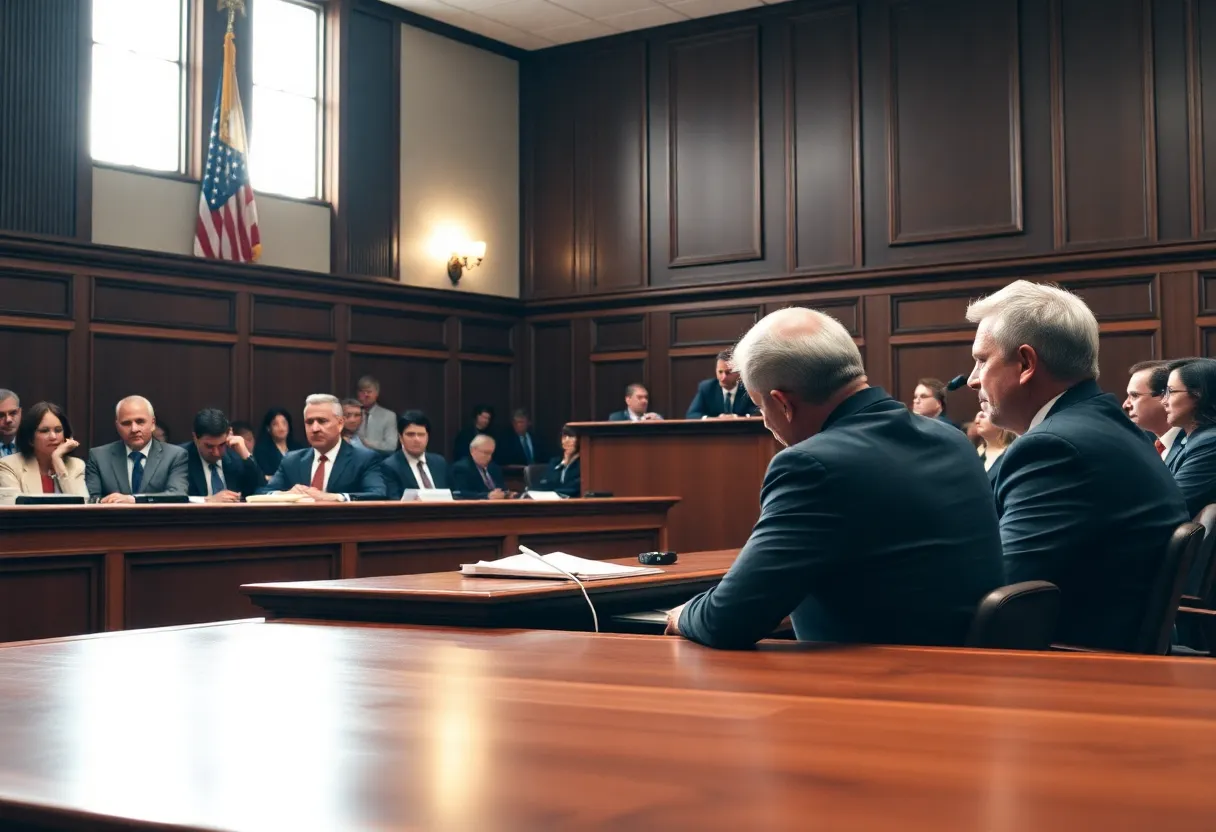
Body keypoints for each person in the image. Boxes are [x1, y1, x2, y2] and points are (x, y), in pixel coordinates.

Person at [667, 307, 1004, 649]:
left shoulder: (811, 466)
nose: (766, 422)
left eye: (761, 408)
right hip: (972, 667)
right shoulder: (951, 440)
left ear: (782, 404)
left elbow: (728, 619)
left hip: (881, 677)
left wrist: (682, 614)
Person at [966, 280, 1188, 651]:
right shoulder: (1103, 425)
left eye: (981, 360)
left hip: (1074, 665)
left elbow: (997, 590)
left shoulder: (1056, 447)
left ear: (1026, 364)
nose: (973, 379)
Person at [259, 394, 387, 501]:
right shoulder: (292, 460)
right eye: (309, 422)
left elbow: (378, 494)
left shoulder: (364, 459)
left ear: (340, 424)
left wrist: (334, 497)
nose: (315, 429)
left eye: (322, 421)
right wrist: (285, 495)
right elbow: (262, 492)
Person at [85, 396, 188, 502]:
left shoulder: (175, 455)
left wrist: (134, 500)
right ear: (117, 426)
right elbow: (91, 500)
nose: (134, 429)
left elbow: (177, 494)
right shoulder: (99, 457)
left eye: (140, 421)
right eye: (126, 423)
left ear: (153, 424)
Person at [1162, 358, 1216, 517]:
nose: (1164, 401)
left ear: (1198, 395)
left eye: (1170, 391)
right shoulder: (1185, 438)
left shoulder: (1209, 442)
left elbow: (1171, 504)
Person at [0, 401, 86, 495]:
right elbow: (14, 503)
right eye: (44, 431)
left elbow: (82, 502)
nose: (53, 437)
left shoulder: (76, 465)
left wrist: (57, 459)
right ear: (30, 439)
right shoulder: (9, 466)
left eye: (58, 430)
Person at [182, 408, 264, 502]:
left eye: (221, 445)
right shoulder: (181, 457)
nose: (216, 452)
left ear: (229, 434)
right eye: (209, 446)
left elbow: (261, 490)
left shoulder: (236, 455)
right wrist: (206, 501)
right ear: (195, 438)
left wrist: (246, 454)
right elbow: (174, 497)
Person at [1125, 358, 1188, 463]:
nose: (1125, 405)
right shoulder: (1142, 442)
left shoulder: (1197, 446)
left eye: (1134, 395)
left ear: (1166, 395)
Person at [380, 410, 449, 498]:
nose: (417, 439)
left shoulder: (439, 462)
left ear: (427, 437)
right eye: (410, 434)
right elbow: (394, 500)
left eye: (421, 434)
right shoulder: (390, 466)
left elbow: (453, 494)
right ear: (400, 438)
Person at [685, 350, 759, 419]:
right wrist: (714, 419)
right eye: (720, 372)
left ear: (738, 372)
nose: (723, 378)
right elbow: (692, 414)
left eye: (728, 372)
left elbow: (759, 413)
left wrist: (736, 417)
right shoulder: (707, 388)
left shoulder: (748, 388)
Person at [451, 434, 509, 499]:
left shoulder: (494, 468)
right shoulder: (461, 468)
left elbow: (502, 489)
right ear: (472, 450)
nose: (489, 457)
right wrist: (487, 496)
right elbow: (460, 493)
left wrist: (508, 494)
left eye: (491, 453)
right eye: (486, 453)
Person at [252, 407, 302, 481]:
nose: (281, 428)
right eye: (275, 424)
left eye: (284, 423)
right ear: (268, 428)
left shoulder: (298, 448)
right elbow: (262, 477)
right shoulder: (261, 451)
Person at [355, 375, 398, 453]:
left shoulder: (389, 416)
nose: (366, 395)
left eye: (369, 392)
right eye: (362, 392)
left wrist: (366, 443)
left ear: (376, 393)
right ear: (358, 394)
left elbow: (391, 446)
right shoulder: (351, 414)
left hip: (379, 458)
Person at [535, 426, 581, 497]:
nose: (566, 440)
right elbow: (545, 484)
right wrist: (564, 464)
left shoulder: (583, 463)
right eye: (564, 437)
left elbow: (574, 487)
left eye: (571, 437)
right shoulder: (555, 462)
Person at [973, 409, 1015, 481]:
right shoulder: (977, 451)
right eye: (982, 410)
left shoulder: (1012, 454)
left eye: (988, 410)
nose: (980, 414)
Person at [0, 389, 20, 457]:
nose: (8, 420)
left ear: (20, 413)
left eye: (13, 413)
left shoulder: (33, 446)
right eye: (1, 415)